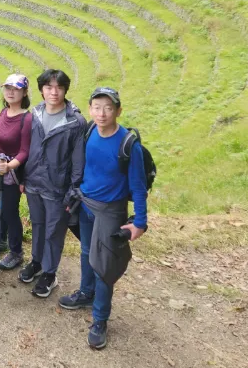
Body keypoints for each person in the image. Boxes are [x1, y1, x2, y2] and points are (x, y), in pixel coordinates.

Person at [59, 87, 148, 350]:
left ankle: (100, 318)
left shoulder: (129, 145)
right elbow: (85, 167)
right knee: (86, 252)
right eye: (97, 107)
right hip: (86, 204)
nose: (102, 113)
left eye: (108, 108)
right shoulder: (89, 132)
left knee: (104, 266)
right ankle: (86, 294)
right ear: (90, 109)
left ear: (118, 111)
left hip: (110, 209)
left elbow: (139, 186)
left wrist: (140, 223)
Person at [20, 69, 86, 298]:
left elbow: (78, 161)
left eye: (58, 87)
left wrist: (73, 189)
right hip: (34, 182)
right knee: (37, 224)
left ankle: (50, 273)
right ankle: (36, 262)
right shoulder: (35, 113)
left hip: (58, 186)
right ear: (41, 90)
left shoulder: (75, 122)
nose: (54, 92)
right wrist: (22, 177)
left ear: (66, 89)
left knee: (54, 231)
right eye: (49, 87)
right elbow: (28, 148)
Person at [0, 74, 32, 271]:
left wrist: (10, 166)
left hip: (11, 173)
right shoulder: (3, 112)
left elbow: (25, 150)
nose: (11, 92)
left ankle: (16, 252)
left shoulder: (26, 119)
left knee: (10, 212)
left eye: (16, 88)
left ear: (24, 92)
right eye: (8, 88)